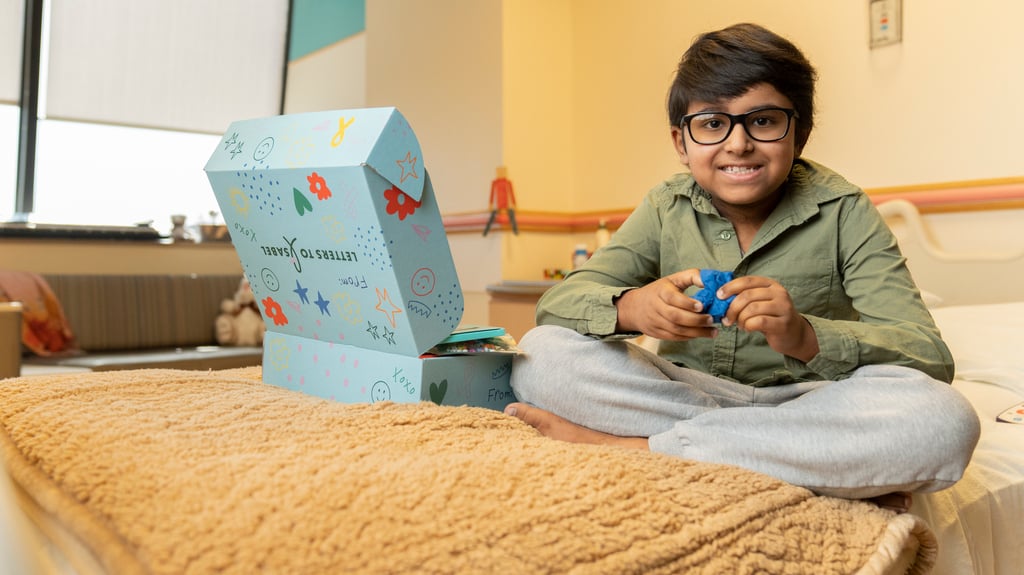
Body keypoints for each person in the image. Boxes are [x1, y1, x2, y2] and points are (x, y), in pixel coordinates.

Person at [505, 23, 979, 510]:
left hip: (812, 403)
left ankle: (640, 450)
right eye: (712, 124)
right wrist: (632, 307)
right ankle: (802, 461)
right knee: (541, 354)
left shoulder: (844, 210)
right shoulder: (667, 206)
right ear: (681, 142)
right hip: (687, 394)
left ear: (801, 132)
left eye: (764, 121)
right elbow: (559, 304)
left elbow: (928, 355)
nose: (738, 144)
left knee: (944, 421)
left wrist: (806, 336)